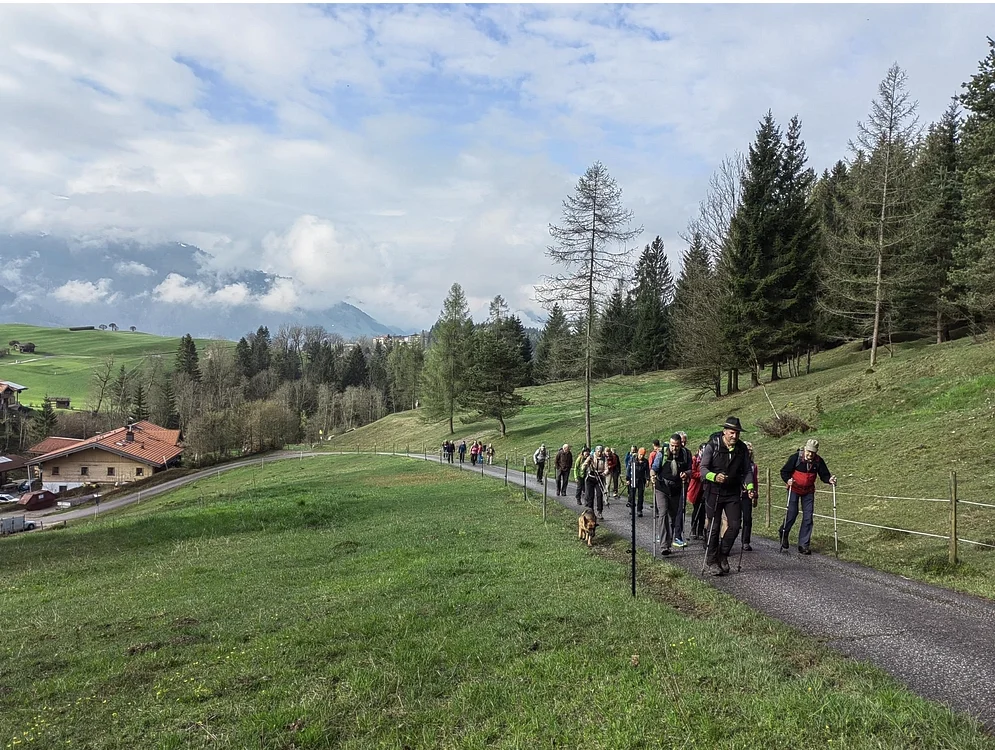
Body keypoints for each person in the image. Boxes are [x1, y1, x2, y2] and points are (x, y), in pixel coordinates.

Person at [700, 417, 757, 576]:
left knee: (735, 526)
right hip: (713, 491)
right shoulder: (713, 446)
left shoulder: (741, 448)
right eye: (732, 432)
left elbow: (747, 470)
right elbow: (703, 469)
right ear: (724, 431)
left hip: (732, 492)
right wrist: (714, 476)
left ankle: (722, 554)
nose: (735, 436)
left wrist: (750, 488)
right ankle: (712, 561)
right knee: (714, 527)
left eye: (737, 433)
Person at [779, 438, 836, 555]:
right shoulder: (795, 458)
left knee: (808, 517)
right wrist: (788, 480)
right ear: (805, 449)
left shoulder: (818, 461)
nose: (810, 454)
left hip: (808, 491)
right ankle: (784, 532)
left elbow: (824, 475)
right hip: (794, 489)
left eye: (813, 452)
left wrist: (830, 480)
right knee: (792, 513)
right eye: (809, 451)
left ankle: (803, 545)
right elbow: (784, 471)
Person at [653, 433, 692, 554]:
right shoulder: (662, 453)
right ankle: (664, 546)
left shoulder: (686, 454)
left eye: (677, 446)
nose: (674, 448)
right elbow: (654, 467)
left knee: (673, 516)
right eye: (672, 445)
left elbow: (690, 469)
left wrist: (686, 474)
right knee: (663, 512)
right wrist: (652, 476)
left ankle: (668, 542)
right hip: (662, 487)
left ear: (681, 445)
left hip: (676, 489)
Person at [740, 442, 759, 551]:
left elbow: (755, 481)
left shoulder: (753, 466)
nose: (749, 452)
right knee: (735, 520)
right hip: (736, 494)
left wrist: (755, 494)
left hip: (747, 495)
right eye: (747, 450)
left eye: (750, 450)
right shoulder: (737, 463)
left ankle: (745, 541)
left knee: (747, 518)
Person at [582, 445, 609, 518]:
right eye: (598, 451)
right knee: (590, 495)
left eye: (600, 452)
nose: (599, 453)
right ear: (596, 451)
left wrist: (604, 473)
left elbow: (607, 469)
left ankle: (599, 511)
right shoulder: (591, 457)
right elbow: (584, 465)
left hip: (599, 477)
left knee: (599, 495)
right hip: (591, 477)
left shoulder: (604, 458)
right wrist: (586, 465)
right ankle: (591, 511)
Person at [688, 443, 706, 539]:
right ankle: (694, 528)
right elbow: (692, 473)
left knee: (703, 510)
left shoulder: (708, 459)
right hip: (696, 488)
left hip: (705, 488)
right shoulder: (695, 459)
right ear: (699, 450)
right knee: (696, 509)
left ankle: (700, 530)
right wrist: (702, 474)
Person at [626, 446, 650, 517]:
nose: (641, 456)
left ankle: (639, 510)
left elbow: (647, 471)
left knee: (640, 495)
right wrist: (628, 479)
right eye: (640, 454)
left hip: (641, 480)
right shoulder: (632, 460)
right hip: (633, 479)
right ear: (638, 453)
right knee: (632, 495)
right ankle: (632, 508)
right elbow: (628, 470)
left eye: (643, 455)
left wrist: (648, 479)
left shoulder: (645, 461)